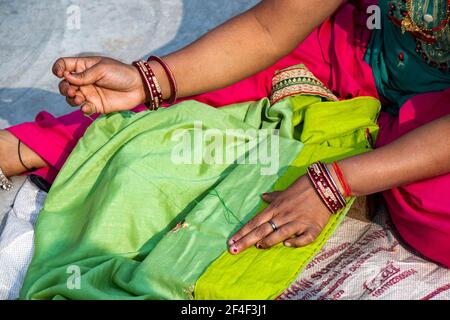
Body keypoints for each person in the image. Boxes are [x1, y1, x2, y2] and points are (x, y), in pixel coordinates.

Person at [0, 0, 449, 268]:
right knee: (205, 84)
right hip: (350, 52)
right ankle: (31, 145)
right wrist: (147, 80)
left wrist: (338, 180)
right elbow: (268, 28)